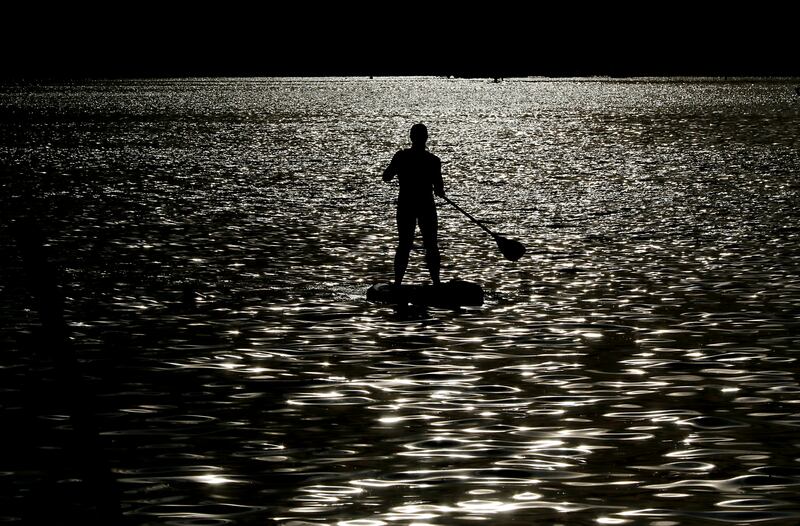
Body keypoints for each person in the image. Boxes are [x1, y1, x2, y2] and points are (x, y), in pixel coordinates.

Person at [382, 123, 445, 286]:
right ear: (426, 138)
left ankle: (397, 284)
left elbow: (386, 177)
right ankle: (436, 283)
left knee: (404, 244)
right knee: (431, 244)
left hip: (407, 206)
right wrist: (439, 190)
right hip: (425, 206)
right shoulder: (433, 161)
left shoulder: (401, 156)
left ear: (411, 138)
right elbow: (439, 189)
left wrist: (397, 168)